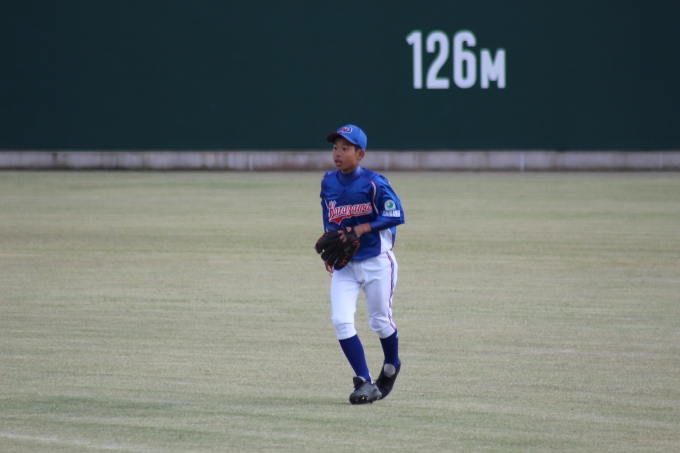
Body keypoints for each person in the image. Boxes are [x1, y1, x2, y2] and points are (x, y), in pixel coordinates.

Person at [319, 124, 405, 404]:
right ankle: (364, 381)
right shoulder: (328, 182)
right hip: (345, 265)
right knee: (340, 320)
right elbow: (329, 217)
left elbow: (396, 214)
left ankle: (391, 364)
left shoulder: (374, 182)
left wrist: (363, 228)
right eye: (335, 147)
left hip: (377, 262)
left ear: (360, 154)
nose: (338, 153)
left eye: (345, 148)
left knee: (380, 321)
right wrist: (330, 249)